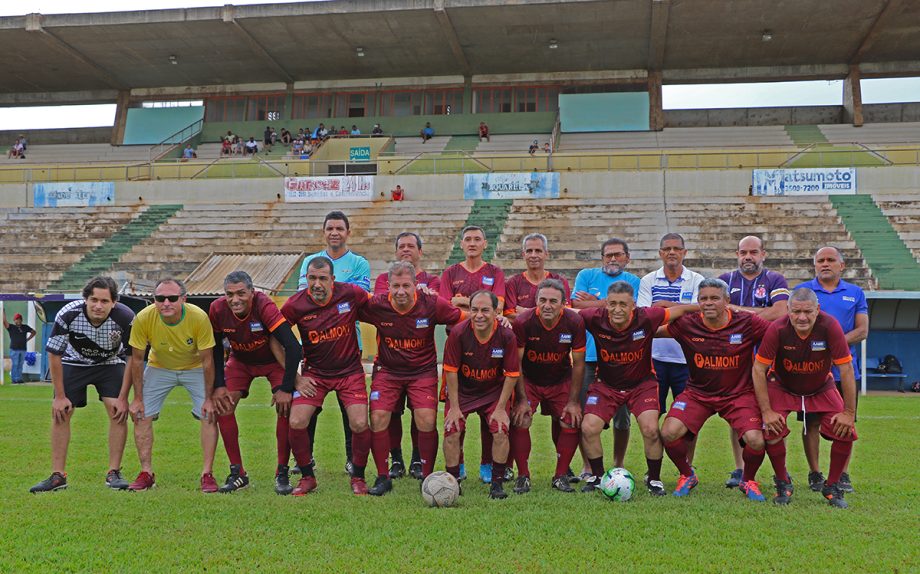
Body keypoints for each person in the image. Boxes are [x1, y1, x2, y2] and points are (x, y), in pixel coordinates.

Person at [579, 281, 696, 495]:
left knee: (651, 429)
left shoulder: (647, 317)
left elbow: (680, 310)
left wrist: (708, 306)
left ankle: (654, 479)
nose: (617, 309)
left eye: (623, 304)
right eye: (612, 303)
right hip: (606, 385)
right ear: (606, 304)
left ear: (633, 305)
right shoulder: (594, 317)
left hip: (642, 384)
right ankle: (597, 476)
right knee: (588, 427)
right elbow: (565, 312)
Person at [659, 278, 772, 501]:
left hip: (738, 394)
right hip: (698, 394)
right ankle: (687, 474)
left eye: (714, 298)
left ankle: (748, 480)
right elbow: (652, 330)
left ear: (727, 301)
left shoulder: (747, 322)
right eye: (703, 299)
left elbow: (778, 335)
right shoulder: (687, 324)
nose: (708, 303)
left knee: (756, 440)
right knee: (668, 432)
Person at [359, 261, 464, 495]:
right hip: (387, 371)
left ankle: (427, 478)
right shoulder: (377, 305)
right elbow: (347, 310)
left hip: (422, 371)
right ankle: (383, 477)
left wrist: (499, 320)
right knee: (378, 417)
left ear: (416, 285)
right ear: (388, 286)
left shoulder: (431, 303)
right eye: (395, 286)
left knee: (426, 419)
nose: (400, 291)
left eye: (406, 285)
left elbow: (462, 317)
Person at [753, 288, 857, 508]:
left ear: (817, 310)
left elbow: (846, 369)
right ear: (788, 311)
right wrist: (766, 412)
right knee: (771, 430)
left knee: (846, 430)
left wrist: (849, 413)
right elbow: (759, 369)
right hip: (783, 386)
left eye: (808, 312)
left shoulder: (830, 326)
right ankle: (783, 481)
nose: (802, 317)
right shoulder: (777, 328)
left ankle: (832, 485)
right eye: (796, 311)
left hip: (820, 386)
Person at [29, 276, 135, 493]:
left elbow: (133, 358)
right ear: (85, 299)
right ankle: (58, 475)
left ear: (114, 302)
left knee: (117, 411)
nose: (98, 306)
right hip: (73, 361)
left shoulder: (125, 317)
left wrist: (124, 398)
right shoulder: (68, 314)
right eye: (94, 299)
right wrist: (59, 396)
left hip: (110, 362)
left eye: (104, 301)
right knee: (61, 412)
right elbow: (54, 354)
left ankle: (113, 472)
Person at [280, 256, 373, 496]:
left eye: (323, 278)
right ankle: (308, 477)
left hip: (349, 371)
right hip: (315, 374)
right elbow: (274, 337)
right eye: (312, 278)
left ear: (333, 279)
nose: (317, 284)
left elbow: (381, 311)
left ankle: (359, 477)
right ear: (306, 279)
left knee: (360, 422)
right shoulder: (294, 305)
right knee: (297, 421)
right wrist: (296, 379)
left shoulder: (350, 293)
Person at [208, 271, 303, 495]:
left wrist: (286, 388)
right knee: (223, 406)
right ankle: (238, 472)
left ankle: (282, 471)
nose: (235, 299)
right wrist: (219, 385)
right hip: (240, 361)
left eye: (241, 293)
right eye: (230, 294)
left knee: (285, 406)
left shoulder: (264, 305)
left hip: (271, 361)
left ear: (252, 292)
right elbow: (214, 348)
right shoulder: (217, 308)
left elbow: (293, 347)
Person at [296, 211, 371, 477]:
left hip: (350, 341)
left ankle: (352, 458)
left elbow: (354, 297)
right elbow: (306, 297)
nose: (334, 232)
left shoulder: (360, 263)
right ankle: (306, 458)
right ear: (324, 231)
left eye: (340, 228)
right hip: (314, 343)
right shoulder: (309, 261)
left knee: (349, 406)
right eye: (330, 228)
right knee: (309, 404)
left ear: (348, 232)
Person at [126, 278, 218, 492]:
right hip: (160, 367)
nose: (166, 303)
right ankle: (146, 472)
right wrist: (137, 398)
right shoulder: (143, 318)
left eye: (172, 298)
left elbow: (207, 360)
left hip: (194, 367)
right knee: (140, 414)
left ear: (183, 299)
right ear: (153, 301)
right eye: (160, 298)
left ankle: (207, 474)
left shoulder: (198, 317)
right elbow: (137, 360)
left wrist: (208, 398)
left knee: (209, 414)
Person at [718, 235, 790, 488]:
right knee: (738, 414)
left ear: (763, 254)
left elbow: (781, 312)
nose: (748, 257)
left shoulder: (775, 279)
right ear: (737, 254)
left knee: (775, 412)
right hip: (735, 360)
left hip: (769, 359)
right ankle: (739, 468)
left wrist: (739, 312)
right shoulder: (725, 281)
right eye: (743, 252)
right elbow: (719, 313)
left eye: (753, 252)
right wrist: (760, 314)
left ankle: (780, 470)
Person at [795, 246, 868, 493]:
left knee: (846, 423)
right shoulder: (803, 291)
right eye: (820, 260)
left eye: (830, 260)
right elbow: (795, 325)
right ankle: (815, 472)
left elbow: (862, 330)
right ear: (815, 265)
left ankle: (842, 474)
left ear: (842, 265)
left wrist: (833, 344)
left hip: (845, 372)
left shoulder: (855, 292)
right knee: (811, 423)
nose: (825, 264)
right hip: (811, 372)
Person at [439, 225, 506, 483]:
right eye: (467, 239)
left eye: (477, 238)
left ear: (485, 244)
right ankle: (460, 463)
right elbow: (445, 307)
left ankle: (488, 464)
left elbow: (498, 306)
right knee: (456, 412)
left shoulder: (494, 272)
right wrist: (480, 306)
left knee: (489, 413)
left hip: (490, 351)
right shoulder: (451, 272)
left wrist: (461, 301)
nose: (472, 243)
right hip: (458, 348)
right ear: (461, 244)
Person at [372, 232, 441, 479]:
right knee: (387, 414)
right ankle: (396, 460)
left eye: (411, 246)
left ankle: (418, 461)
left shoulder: (433, 280)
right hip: (389, 365)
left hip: (421, 366)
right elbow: (383, 301)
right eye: (401, 246)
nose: (406, 250)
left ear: (420, 252)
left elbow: (441, 303)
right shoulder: (384, 279)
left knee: (422, 414)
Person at [571, 238, 641, 478]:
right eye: (608, 255)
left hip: (619, 359)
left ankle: (618, 462)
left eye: (618, 255)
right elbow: (575, 306)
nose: (613, 259)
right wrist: (605, 303)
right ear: (601, 257)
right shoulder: (586, 275)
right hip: (589, 357)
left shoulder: (634, 281)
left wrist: (593, 302)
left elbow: (633, 310)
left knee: (622, 418)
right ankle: (588, 465)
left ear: (627, 258)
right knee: (584, 413)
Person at [442, 291, 521, 499]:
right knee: (452, 428)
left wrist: (501, 408)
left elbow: (512, 374)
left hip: (493, 392)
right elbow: (450, 371)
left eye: (485, 310)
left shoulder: (506, 336)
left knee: (501, 429)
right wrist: (455, 408)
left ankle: (497, 483)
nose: (479, 315)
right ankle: (452, 482)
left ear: (496, 312)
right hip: (463, 391)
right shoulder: (458, 333)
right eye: (474, 309)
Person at [511, 279, 586, 494]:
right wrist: (522, 399)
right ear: (535, 301)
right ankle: (523, 476)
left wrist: (573, 401)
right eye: (542, 300)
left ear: (564, 303)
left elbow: (579, 363)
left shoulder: (574, 321)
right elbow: (516, 363)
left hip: (560, 379)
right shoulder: (523, 322)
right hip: (530, 380)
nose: (547, 305)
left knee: (570, 420)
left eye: (553, 301)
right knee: (521, 418)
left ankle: (560, 476)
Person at [638, 233, 705, 420]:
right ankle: (655, 451)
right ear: (660, 253)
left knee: (685, 417)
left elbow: (697, 317)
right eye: (667, 249)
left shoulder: (697, 280)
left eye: (676, 249)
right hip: (654, 357)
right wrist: (682, 310)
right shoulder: (648, 280)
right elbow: (645, 316)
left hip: (686, 359)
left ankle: (684, 451)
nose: (672, 252)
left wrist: (664, 305)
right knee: (652, 416)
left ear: (685, 252)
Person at [503, 233, 570, 321]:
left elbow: (566, 312)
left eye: (538, 251)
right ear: (523, 255)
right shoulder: (512, 283)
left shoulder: (560, 281)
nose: (533, 255)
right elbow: (509, 316)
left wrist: (525, 312)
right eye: (529, 251)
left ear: (546, 254)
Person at [4, 310, 36, 384]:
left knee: (20, 364)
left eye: (19, 319)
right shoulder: (11, 327)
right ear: (14, 320)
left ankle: (19, 378)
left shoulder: (25, 327)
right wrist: (3, 312)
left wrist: (27, 339)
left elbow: (34, 332)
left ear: (21, 320)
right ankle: (14, 379)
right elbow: (4, 322)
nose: (18, 320)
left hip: (23, 349)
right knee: (15, 364)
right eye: (16, 319)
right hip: (14, 349)